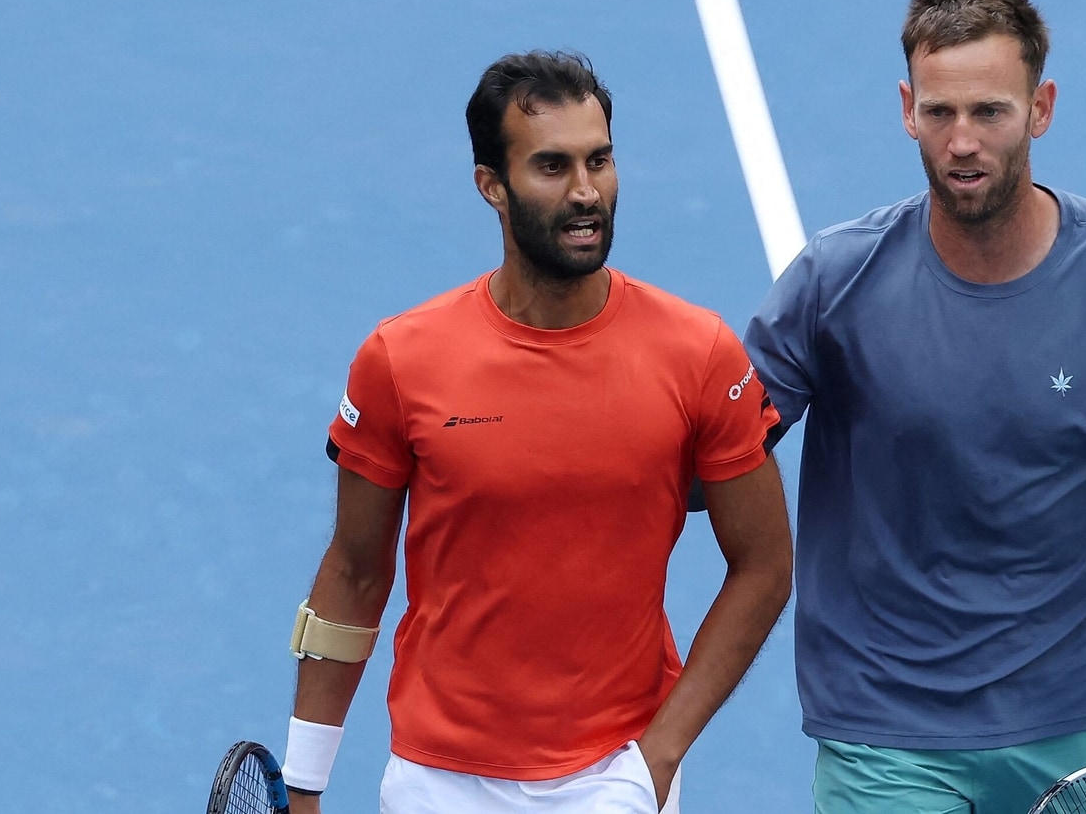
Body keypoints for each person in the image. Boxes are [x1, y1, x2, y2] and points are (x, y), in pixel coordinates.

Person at [745, 0, 1086, 814]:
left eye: (990, 112)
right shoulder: (833, 283)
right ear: (907, 109)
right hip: (885, 728)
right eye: (940, 113)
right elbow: (715, 458)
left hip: (1071, 721)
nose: (962, 142)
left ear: (1041, 108)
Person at [280, 50, 793, 814]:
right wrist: (303, 782)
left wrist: (656, 758)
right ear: (492, 185)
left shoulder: (698, 352)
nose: (586, 192)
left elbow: (764, 564)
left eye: (600, 161)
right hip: (438, 783)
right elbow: (354, 574)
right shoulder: (401, 360)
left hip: (616, 774)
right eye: (552, 167)